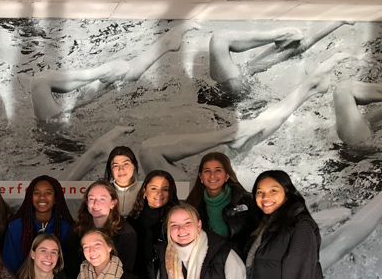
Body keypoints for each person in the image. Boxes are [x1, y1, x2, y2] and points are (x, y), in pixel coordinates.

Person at [140, 54, 348, 176]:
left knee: (149, 151)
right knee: (244, 140)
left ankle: (309, 87)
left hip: (191, 199)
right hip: (198, 205)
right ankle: (309, 87)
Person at [31, 23, 198, 129]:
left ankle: (164, 44)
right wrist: (101, 71)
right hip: (57, 138)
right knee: (42, 82)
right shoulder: (53, 129)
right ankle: (104, 71)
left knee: (104, 81)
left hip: (58, 134)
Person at [207, 23, 346, 104]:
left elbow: (295, 49)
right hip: (229, 91)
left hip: (233, 95)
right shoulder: (241, 76)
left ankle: (339, 21)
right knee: (220, 40)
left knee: (249, 65)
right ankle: (281, 36)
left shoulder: (246, 72)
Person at [64, 180, 138, 279]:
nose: (95, 203)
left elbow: (127, 270)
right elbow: (71, 268)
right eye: (91, 199)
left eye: (102, 199)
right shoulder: (76, 229)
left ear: (113, 203)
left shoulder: (126, 233)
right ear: (86, 203)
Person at [185, 152, 258, 257]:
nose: (212, 175)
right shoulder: (192, 205)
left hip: (240, 263)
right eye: (207, 171)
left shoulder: (247, 201)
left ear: (227, 175)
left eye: (218, 170)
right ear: (201, 176)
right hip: (208, 265)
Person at [1, 175, 74, 273]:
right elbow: (8, 268)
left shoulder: (67, 229)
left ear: (56, 198)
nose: (42, 197)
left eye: (48, 193)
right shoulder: (16, 227)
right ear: (30, 197)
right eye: (36, 193)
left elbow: (70, 268)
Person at [127, 170, 180, 279]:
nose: (159, 193)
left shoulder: (177, 220)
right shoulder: (132, 220)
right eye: (154, 188)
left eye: (165, 189)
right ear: (144, 192)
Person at [105, 146, 141, 216]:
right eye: (115, 166)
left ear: (134, 166)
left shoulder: (144, 193)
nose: (121, 169)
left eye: (126, 164)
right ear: (110, 170)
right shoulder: (103, 192)